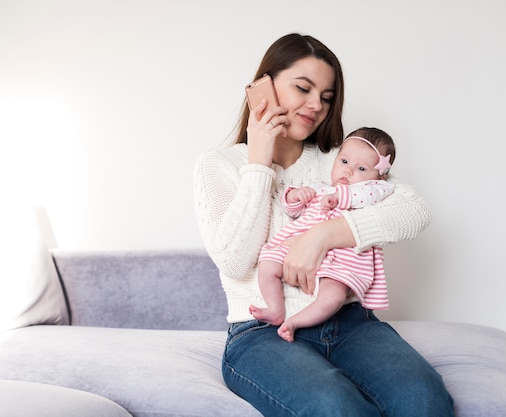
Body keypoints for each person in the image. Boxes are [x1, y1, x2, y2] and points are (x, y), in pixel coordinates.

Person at [193, 33, 454, 416]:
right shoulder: (219, 165)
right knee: (334, 405)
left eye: (327, 97)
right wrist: (259, 163)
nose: (316, 105)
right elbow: (235, 261)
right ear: (263, 86)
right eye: (303, 88)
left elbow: (414, 211)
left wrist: (322, 235)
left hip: (350, 322)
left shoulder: (341, 161)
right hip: (260, 334)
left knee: (423, 397)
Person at [250, 129, 395, 343]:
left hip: (341, 261)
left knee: (334, 297)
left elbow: (371, 194)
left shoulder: (376, 190)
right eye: (344, 161)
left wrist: (341, 196)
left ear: (380, 176)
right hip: (299, 247)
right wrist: (297, 195)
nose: (348, 172)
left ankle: (295, 322)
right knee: (268, 265)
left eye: (362, 168)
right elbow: (291, 208)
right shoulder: (322, 187)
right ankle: (275, 309)